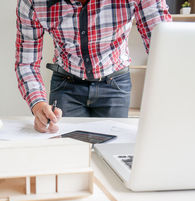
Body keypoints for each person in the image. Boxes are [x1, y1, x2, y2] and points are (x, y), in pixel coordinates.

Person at [15, 0, 171, 133]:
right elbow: (26, 62)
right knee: (68, 154)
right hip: (66, 85)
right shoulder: (32, 1)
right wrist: (38, 104)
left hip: (115, 83)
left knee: (111, 153)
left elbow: (166, 49)